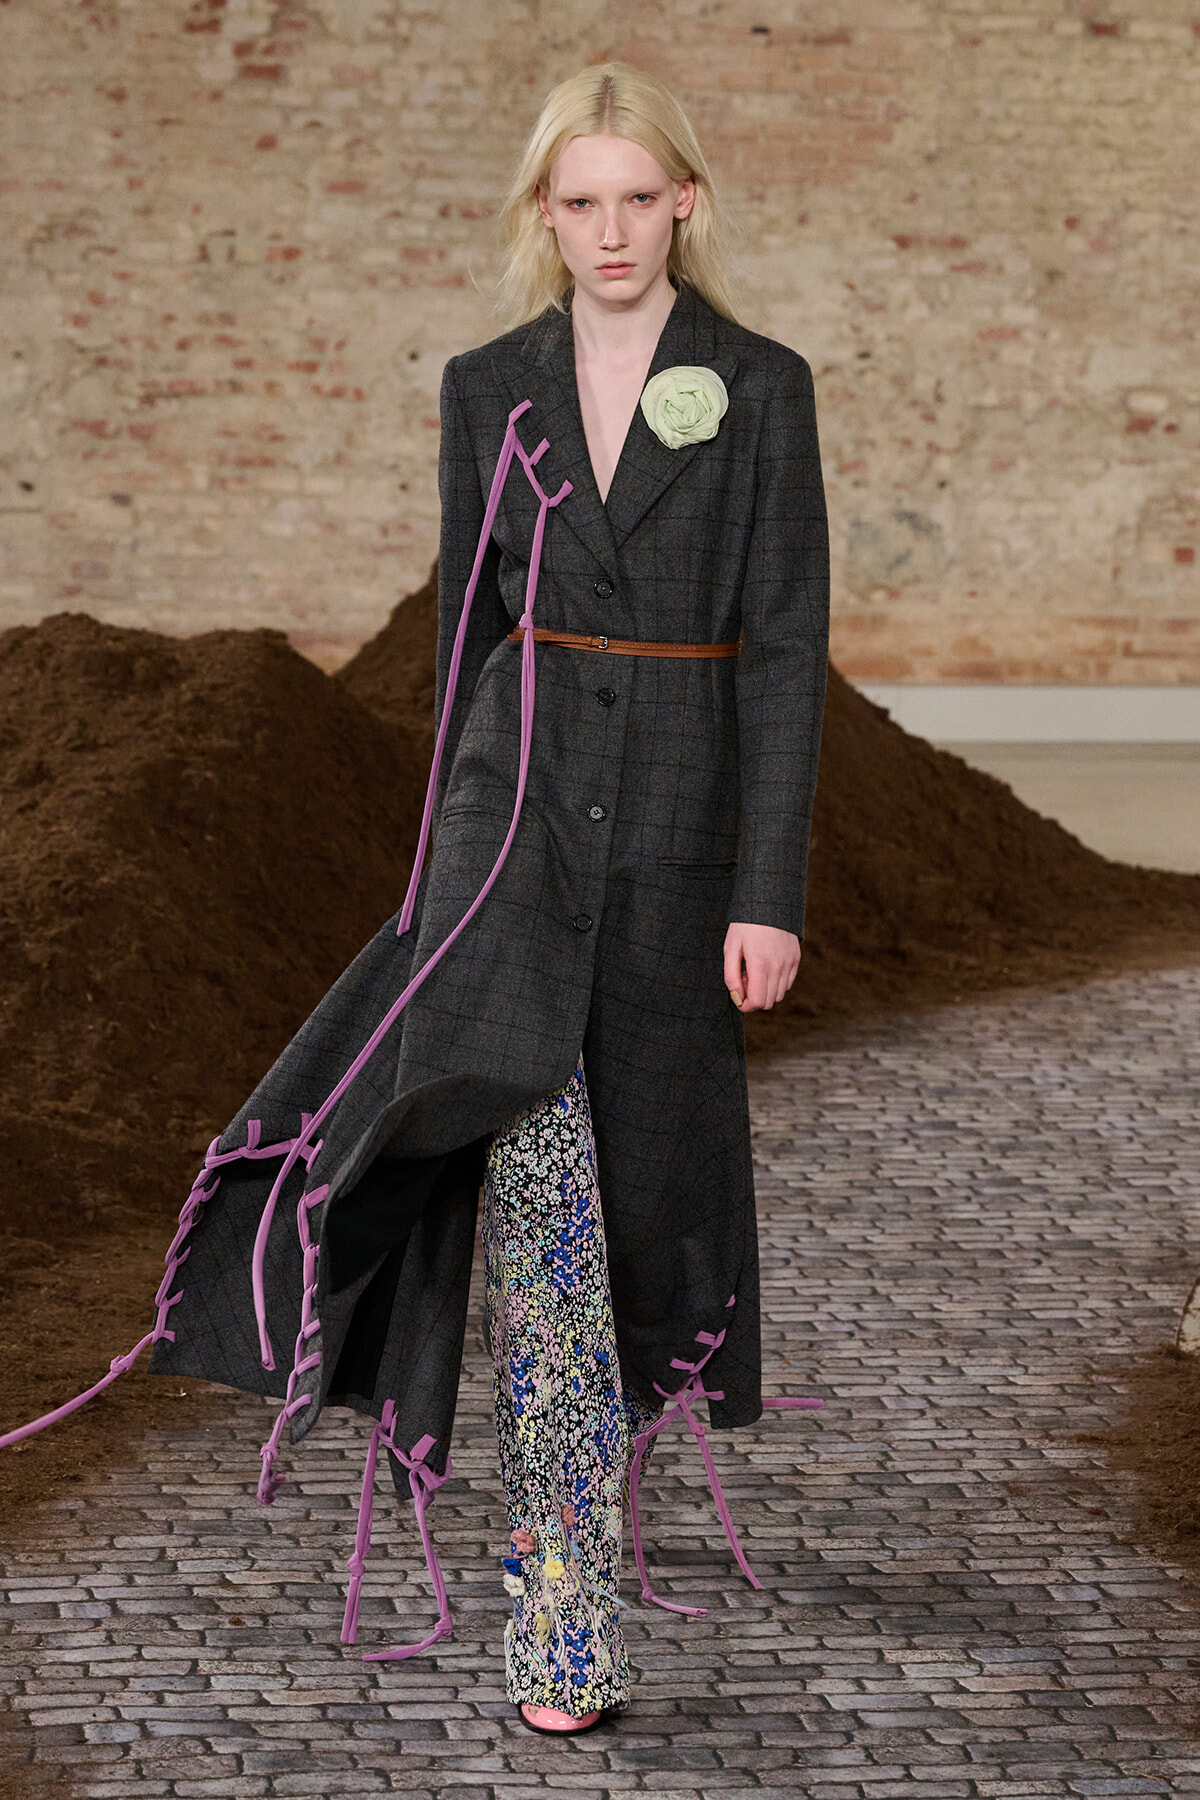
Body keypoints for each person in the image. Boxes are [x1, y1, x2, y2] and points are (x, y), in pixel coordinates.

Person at [5, 62, 829, 1736]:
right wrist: (438, 877)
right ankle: (565, 1610)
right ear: (545, 214)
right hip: (507, 849)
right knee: (544, 1217)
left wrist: (767, 890)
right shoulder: (487, 390)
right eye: (579, 202)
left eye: (638, 197)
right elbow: (465, 635)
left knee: (649, 1214)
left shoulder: (760, 388)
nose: (611, 230)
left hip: (675, 862)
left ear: (687, 201)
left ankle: (583, 1510)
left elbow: (789, 648)